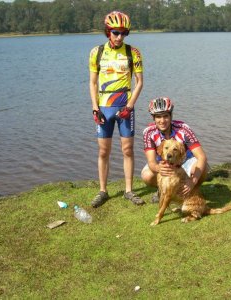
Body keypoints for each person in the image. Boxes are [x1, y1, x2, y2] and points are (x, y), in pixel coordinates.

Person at [89, 11, 145, 208]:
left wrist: (130, 106)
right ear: (108, 32)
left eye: (124, 33)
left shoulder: (133, 53)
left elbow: (140, 82)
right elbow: (93, 83)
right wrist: (95, 108)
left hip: (125, 108)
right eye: (115, 32)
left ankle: (129, 190)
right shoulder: (97, 52)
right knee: (103, 151)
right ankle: (103, 191)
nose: (120, 37)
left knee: (127, 149)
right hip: (104, 108)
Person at [141, 97, 210, 202]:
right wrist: (157, 168)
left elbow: (201, 156)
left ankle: (192, 191)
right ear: (153, 118)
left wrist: (193, 181)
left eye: (165, 116)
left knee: (203, 168)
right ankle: (163, 190)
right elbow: (151, 161)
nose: (162, 121)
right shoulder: (148, 132)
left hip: (184, 161)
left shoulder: (183, 128)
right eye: (158, 117)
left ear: (171, 116)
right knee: (147, 176)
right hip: (163, 162)